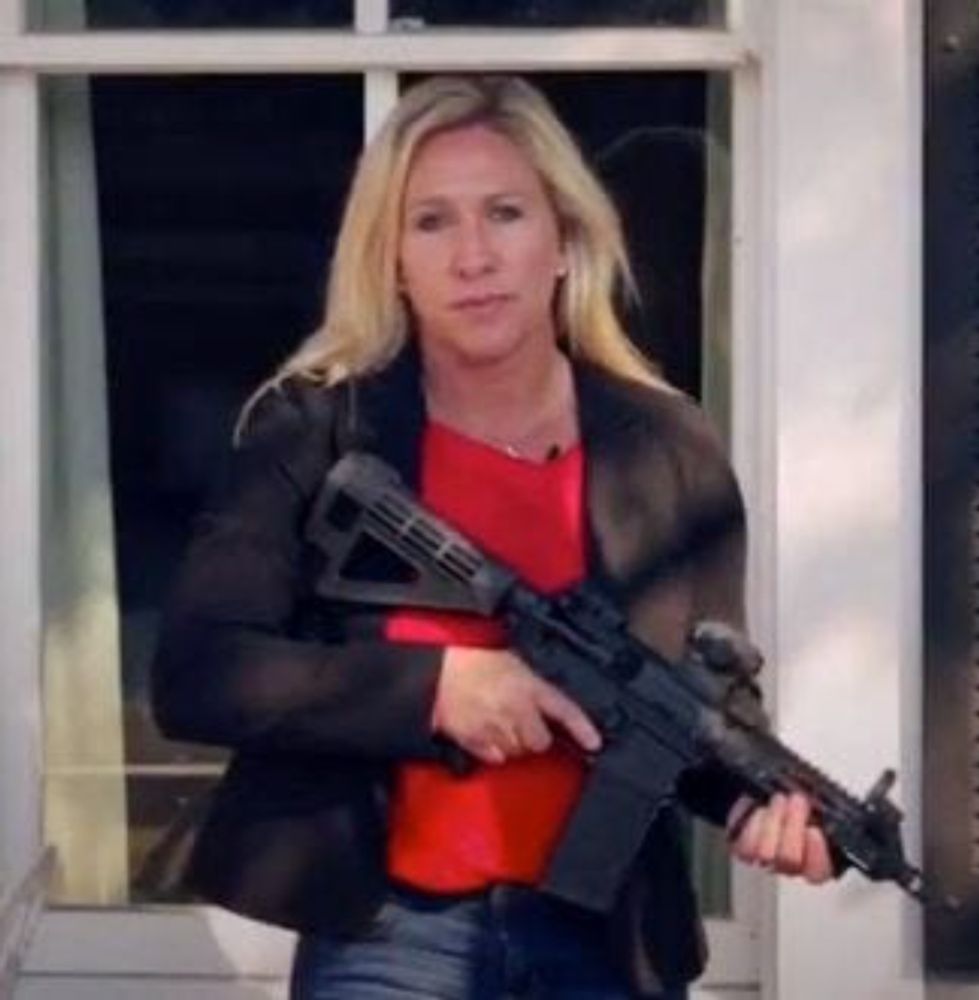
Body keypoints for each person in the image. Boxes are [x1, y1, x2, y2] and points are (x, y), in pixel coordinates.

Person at [152, 74, 833, 1000]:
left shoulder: (669, 445)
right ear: (392, 258)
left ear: (564, 240)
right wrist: (436, 691)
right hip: (391, 940)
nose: (473, 256)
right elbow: (199, 673)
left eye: (505, 214)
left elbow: (694, 708)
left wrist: (764, 804)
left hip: (608, 944)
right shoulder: (319, 432)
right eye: (432, 222)